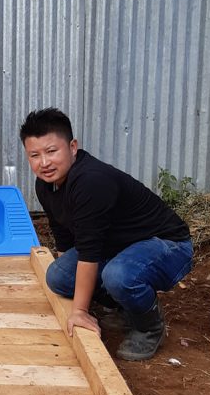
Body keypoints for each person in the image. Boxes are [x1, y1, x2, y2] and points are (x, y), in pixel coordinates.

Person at [20, 108, 193, 361]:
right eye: (34, 155)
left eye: (51, 151)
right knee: (58, 276)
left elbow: (89, 252)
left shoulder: (91, 181)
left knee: (118, 276)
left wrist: (79, 310)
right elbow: (66, 239)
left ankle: (149, 326)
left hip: (166, 245)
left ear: (73, 147)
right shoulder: (45, 184)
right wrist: (69, 278)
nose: (43, 163)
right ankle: (125, 307)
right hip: (117, 246)